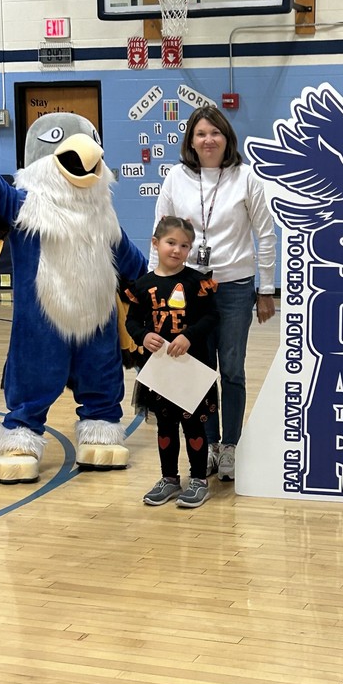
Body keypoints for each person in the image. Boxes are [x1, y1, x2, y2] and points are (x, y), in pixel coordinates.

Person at [150, 105, 277, 482]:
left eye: (215, 133)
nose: (208, 140)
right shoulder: (175, 177)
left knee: (232, 370)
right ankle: (205, 445)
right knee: (198, 370)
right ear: (191, 139)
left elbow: (265, 233)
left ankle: (230, 447)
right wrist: (153, 284)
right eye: (201, 133)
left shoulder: (246, 178)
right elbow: (160, 231)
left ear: (227, 139)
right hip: (186, 290)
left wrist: (266, 288)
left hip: (235, 287)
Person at [126, 216, 219, 509]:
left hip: (192, 369)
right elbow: (131, 320)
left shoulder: (196, 282)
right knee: (164, 426)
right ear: (155, 243)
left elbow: (212, 316)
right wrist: (143, 336)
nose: (177, 250)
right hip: (161, 373)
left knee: (193, 427)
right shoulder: (143, 285)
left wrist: (189, 336)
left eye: (184, 245)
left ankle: (199, 480)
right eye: (171, 243)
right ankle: (169, 478)